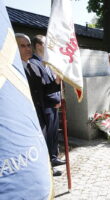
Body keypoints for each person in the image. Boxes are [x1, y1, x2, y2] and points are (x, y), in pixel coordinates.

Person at [15, 33, 62, 176]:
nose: (27, 48)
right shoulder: (14, 69)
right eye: (22, 46)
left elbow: (44, 89)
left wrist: (57, 82)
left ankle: (47, 168)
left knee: (44, 141)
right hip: (25, 116)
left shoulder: (33, 66)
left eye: (28, 45)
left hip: (41, 113)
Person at [30, 35, 66, 169]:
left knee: (54, 134)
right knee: (47, 136)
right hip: (46, 106)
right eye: (46, 44)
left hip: (54, 105)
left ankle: (54, 158)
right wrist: (53, 100)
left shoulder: (47, 62)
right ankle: (48, 165)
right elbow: (41, 88)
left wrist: (58, 98)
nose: (49, 47)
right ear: (38, 45)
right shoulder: (33, 63)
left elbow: (53, 83)